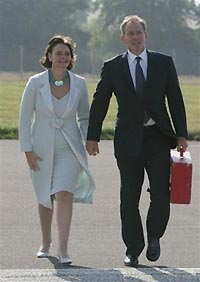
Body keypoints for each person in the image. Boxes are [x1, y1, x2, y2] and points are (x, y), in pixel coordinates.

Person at [86, 15, 188, 267]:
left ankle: (154, 236)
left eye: (139, 32)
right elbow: (100, 101)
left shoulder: (163, 63)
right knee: (129, 196)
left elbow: (175, 99)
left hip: (158, 138)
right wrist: (93, 136)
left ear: (146, 34)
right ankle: (133, 248)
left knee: (161, 193)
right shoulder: (112, 66)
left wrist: (181, 134)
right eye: (130, 33)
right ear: (123, 38)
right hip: (127, 140)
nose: (135, 37)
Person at [19, 35, 95, 265]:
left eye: (67, 54)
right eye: (58, 53)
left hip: (69, 149)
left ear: (71, 58)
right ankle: (46, 242)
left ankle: (63, 249)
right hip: (40, 148)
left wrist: (90, 139)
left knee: (63, 193)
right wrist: (27, 149)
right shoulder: (35, 82)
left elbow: (84, 116)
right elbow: (24, 119)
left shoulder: (80, 83)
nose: (63, 57)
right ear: (49, 56)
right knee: (45, 197)